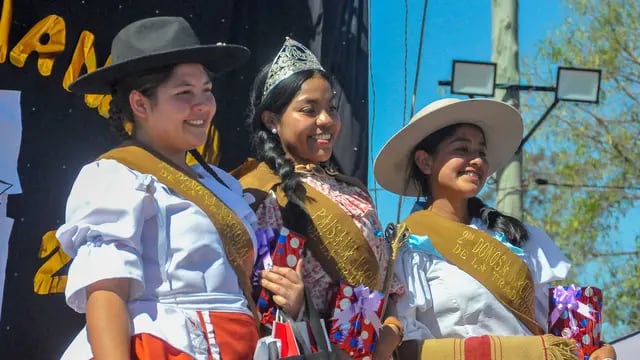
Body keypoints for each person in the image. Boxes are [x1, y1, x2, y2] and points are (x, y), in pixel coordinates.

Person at [56, 17, 260, 359]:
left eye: (206, 91)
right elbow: (107, 294)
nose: (203, 106)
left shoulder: (221, 184)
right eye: (184, 93)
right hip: (165, 348)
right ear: (140, 104)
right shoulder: (115, 177)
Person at [373, 97, 617, 359]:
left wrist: (594, 349)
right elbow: (406, 347)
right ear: (425, 162)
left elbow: (553, 331)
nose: (476, 160)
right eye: (462, 149)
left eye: (481, 152)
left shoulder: (516, 237)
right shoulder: (404, 249)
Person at [234, 38, 404, 359]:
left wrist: (392, 330)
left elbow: (384, 283)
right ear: (272, 121)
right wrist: (298, 305)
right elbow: (254, 299)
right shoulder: (258, 192)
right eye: (309, 110)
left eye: (331, 109)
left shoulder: (355, 192)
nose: (326, 120)